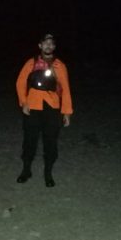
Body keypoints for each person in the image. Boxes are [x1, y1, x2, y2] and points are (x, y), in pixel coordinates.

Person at [15, 34, 73, 187]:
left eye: (51, 44)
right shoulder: (31, 62)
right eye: (45, 43)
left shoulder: (59, 65)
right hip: (32, 106)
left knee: (50, 142)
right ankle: (26, 170)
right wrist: (24, 102)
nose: (48, 46)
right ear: (40, 45)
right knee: (29, 140)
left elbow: (66, 89)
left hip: (52, 107)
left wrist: (67, 112)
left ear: (54, 47)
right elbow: (20, 82)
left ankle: (48, 173)